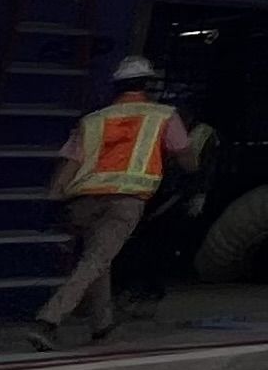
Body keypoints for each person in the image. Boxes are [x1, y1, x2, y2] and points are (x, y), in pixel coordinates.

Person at [29, 57, 201, 351]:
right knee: (94, 261)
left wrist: (53, 199)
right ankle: (47, 320)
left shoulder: (94, 119)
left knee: (99, 258)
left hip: (84, 201)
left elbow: (70, 163)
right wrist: (191, 174)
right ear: (147, 85)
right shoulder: (162, 116)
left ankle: (102, 326)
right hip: (126, 201)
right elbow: (186, 157)